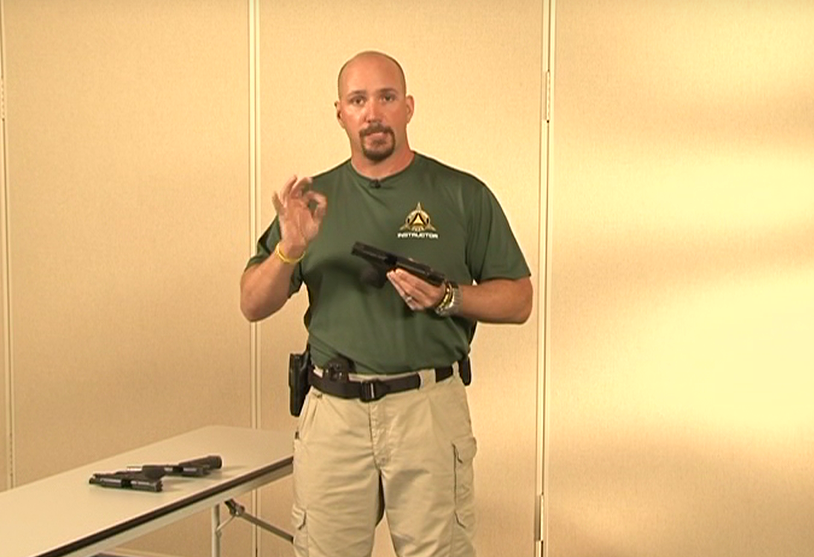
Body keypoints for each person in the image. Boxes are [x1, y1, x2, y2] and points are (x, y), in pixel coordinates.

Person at [240, 51, 532, 557]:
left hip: (427, 412)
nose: (372, 112)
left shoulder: (461, 194)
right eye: (358, 100)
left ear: (408, 107)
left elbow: (519, 298)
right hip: (334, 416)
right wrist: (290, 248)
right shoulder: (311, 202)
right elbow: (252, 304)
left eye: (386, 97)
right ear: (340, 113)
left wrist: (450, 297)